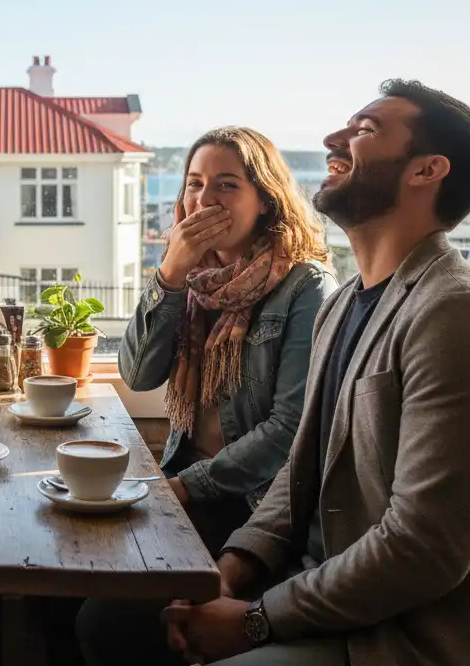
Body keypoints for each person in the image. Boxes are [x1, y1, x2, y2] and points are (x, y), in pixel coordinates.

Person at [79, 80, 470, 666]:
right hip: (293, 558)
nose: (332, 138)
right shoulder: (345, 307)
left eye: (364, 130)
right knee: (101, 616)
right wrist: (233, 570)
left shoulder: (446, 312)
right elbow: (304, 469)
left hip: (386, 631)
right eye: (194, 185)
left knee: (118, 622)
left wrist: (255, 620)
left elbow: (422, 546)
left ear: (428, 170)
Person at [126, 127, 336, 552]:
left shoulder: (306, 286)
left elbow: (290, 428)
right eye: (195, 185)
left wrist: (185, 488)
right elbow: (138, 376)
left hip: (254, 506)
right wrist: (169, 276)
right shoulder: (191, 279)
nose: (204, 201)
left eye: (226, 185)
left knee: (104, 614)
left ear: (265, 201)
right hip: (183, 474)